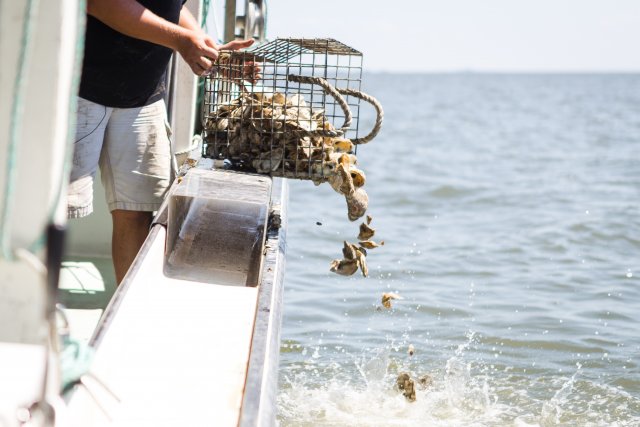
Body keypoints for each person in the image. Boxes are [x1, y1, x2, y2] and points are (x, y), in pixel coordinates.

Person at [68, 0, 253, 284]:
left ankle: (125, 320)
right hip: (77, 88)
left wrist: (206, 49)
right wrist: (181, 40)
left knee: (137, 212)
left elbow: (169, 6)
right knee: (52, 208)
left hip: (143, 95)